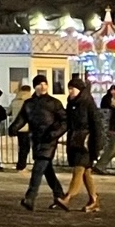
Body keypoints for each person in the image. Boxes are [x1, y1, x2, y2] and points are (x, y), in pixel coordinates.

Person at [19, 74, 68, 210]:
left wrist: (55, 133)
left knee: (38, 169)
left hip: (49, 140)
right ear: (35, 87)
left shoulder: (54, 103)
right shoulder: (29, 103)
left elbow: (64, 121)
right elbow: (22, 118)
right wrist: (14, 128)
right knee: (47, 170)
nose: (43, 86)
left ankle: (30, 197)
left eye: (45, 84)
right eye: (40, 84)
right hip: (36, 139)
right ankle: (60, 195)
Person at [62, 74, 103, 214]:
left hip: (86, 143)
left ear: (80, 90)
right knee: (86, 173)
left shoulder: (88, 103)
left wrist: (97, 146)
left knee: (78, 170)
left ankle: (68, 197)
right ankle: (94, 200)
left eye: (72, 88)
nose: (70, 91)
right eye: (69, 89)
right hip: (75, 141)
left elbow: (97, 125)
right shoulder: (72, 104)